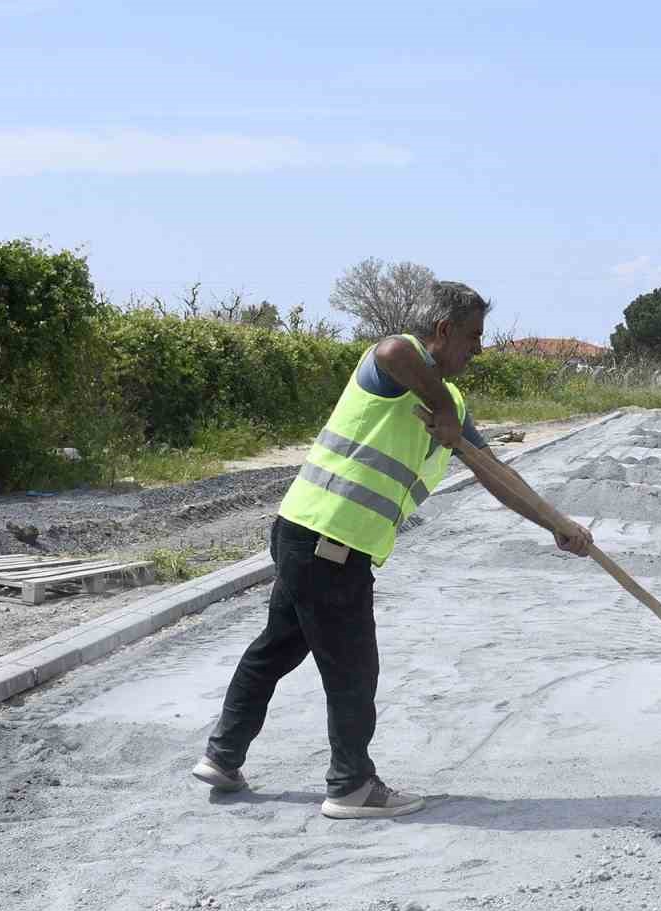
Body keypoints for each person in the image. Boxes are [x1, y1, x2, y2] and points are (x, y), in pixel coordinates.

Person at [191, 282, 593, 819]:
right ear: (444, 330)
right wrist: (439, 405)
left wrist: (556, 524)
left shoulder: (451, 404)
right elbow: (393, 350)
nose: (479, 349)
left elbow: (495, 472)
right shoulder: (396, 361)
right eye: (473, 337)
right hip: (330, 541)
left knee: (278, 647)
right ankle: (351, 786)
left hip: (307, 533)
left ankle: (223, 756)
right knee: (353, 667)